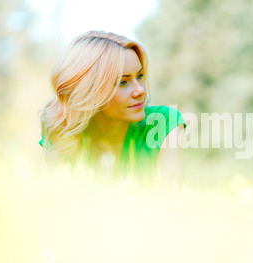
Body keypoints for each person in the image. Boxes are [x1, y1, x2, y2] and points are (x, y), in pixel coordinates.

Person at [38, 31, 186, 182]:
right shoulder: (62, 127)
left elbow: (170, 195)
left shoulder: (164, 122)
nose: (140, 90)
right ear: (90, 90)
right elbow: (58, 198)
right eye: (123, 82)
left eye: (140, 76)